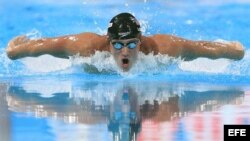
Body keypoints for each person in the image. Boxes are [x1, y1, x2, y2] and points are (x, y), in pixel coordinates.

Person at [6, 12, 245, 71]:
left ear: (141, 42)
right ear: (108, 43)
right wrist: (14, 51)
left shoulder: (163, 49)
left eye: (132, 44)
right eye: (118, 45)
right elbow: (45, 45)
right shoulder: (86, 48)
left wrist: (235, 52)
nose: (125, 52)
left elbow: (202, 48)